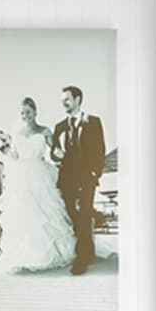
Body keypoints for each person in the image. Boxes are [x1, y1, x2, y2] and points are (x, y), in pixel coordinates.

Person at [0, 97, 76, 274]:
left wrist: (61, 155)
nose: (25, 115)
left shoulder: (45, 131)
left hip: (40, 174)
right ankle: (25, 257)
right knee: (24, 215)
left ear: (35, 112)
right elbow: (15, 156)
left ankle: (49, 256)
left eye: (29, 112)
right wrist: (4, 149)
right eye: (22, 112)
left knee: (45, 213)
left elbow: (55, 150)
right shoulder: (16, 134)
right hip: (21, 177)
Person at [50, 85, 106, 275]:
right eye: (62, 100)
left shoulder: (93, 122)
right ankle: (87, 249)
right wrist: (56, 155)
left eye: (67, 99)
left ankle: (81, 258)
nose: (64, 103)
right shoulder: (59, 126)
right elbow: (54, 153)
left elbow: (100, 150)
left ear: (77, 99)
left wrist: (94, 173)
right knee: (72, 214)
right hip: (67, 179)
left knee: (84, 214)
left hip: (86, 178)